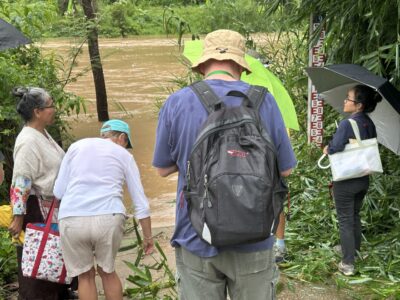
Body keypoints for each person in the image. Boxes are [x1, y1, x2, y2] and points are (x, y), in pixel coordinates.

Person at [153, 29, 296, 299]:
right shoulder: (265, 101)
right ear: (241, 66)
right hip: (255, 237)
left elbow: (161, 168)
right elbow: (286, 169)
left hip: (195, 235)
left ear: (203, 64)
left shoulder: (177, 102)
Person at [53, 119, 154, 300]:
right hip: (108, 217)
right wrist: (148, 237)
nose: (125, 148)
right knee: (108, 272)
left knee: (85, 276)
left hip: (72, 217)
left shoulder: (76, 147)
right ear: (122, 137)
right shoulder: (123, 155)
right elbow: (141, 202)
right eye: (126, 144)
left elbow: (58, 191)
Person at [8, 87, 70, 299]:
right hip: (37, 208)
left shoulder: (41, 134)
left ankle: (59, 293)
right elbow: (21, 180)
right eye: (50, 106)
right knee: (39, 259)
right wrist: (18, 216)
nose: (54, 109)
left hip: (51, 206)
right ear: (37, 111)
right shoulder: (28, 140)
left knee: (51, 257)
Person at [323, 84, 382, 276]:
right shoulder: (369, 123)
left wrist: (327, 148)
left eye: (348, 98)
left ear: (359, 106)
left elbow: (336, 147)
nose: (345, 101)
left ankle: (347, 263)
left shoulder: (347, 124)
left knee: (346, 219)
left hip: (347, 179)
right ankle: (353, 251)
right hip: (363, 177)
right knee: (354, 215)